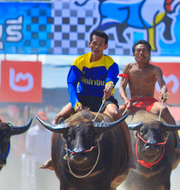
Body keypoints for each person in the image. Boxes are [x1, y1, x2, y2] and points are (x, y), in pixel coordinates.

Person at [39, 30, 133, 170]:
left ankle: (130, 156)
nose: (97, 47)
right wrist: (76, 102)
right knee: (59, 116)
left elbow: (111, 80)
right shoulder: (80, 61)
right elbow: (71, 83)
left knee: (115, 114)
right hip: (82, 99)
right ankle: (53, 158)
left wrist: (109, 87)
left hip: (102, 99)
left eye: (100, 44)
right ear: (89, 44)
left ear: (105, 47)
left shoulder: (110, 63)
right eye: (94, 43)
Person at [117, 40, 178, 125]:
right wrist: (125, 100)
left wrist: (163, 93)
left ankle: (177, 137)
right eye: (138, 51)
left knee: (164, 110)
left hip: (150, 103)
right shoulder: (128, 67)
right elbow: (121, 87)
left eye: (144, 51)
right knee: (115, 113)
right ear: (134, 54)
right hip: (132, 103)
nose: (141, 53)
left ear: (149, 54)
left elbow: (163, 85)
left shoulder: (155, 70)